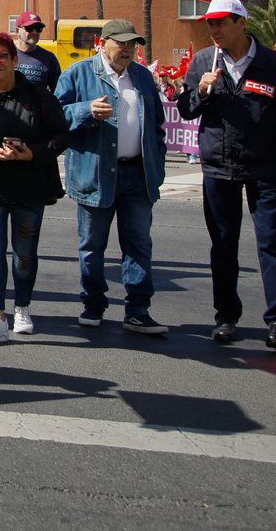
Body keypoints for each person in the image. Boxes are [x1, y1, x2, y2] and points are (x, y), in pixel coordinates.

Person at [175, 0, 276, 353]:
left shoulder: (273, 64)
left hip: (264, 169)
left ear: (241, 23)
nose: (214, 30)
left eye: (221, 23)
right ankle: (225, 317)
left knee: (270, 242)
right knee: (222, 245)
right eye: (210, 24)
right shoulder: (203, 61)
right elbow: (185, 109)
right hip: (218, 168)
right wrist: (201, 90)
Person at [54, 18, 168, 335]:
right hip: (96, 174)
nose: (128, 48)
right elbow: (55, 116)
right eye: (122, 42)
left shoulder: (143, 78)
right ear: (102, 43)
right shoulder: (78, 73)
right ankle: (93, 304)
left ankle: (138, 310)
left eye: (133, 43)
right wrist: (85, 111)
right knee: (92, 245)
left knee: (138, 245)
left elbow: (157, 125)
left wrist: (156, 163)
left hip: (137, 175)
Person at [0, 32, 68, 346]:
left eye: (1, 56)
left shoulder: (39, 96)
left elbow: (61, 136)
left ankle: (23, 307)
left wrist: (33, 152)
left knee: (23, 255)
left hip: (29, 187)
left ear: (14, 60)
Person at [11, 12, 61, 90]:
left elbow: (58, 91)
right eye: (29, 28)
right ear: (17, 31)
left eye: (38, 29)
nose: (34, 32)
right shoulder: (7, 55)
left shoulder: (49, 58)